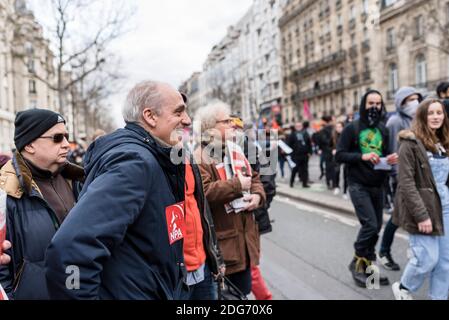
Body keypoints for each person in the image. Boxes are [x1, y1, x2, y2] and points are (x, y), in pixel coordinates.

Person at [45, 81, 191, 300]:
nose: (187, 120)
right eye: (178, 112)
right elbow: (69, 252)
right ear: (150, 116)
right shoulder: (135, 163)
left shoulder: (150, 157)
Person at [0, 109, 84, 300]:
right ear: (29, 145)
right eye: (57, 138)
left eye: (66, 137)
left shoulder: (76, 180)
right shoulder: (5, 192)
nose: (66, 144)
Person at [194, 100, 266, 298]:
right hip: (224, 249)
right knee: (229, 297)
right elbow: (204, 193)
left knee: (242, 293)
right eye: (226, 121)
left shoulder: (235, 150)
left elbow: (255, 178)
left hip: (244, 243)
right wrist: (237, 185)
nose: (233, 124)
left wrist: (257, 196)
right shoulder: (200, 156)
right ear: (210, 128)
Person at [336, 90, 398, 288]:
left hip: (377, 185)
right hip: (358, 185)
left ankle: (370, 275)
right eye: (371, 103)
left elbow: (386, 153)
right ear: (363, 104)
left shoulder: (383, 128)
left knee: (376, 228)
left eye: (378, 104)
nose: (374, 107)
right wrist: (361, 156)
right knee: (370, 225)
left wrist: (390, 159)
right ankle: (356, 261)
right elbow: (339, 155)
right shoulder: (352, 128)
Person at [392, 99, 449, 300]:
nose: (435, 117)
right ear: (422, 116)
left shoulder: (444, 142)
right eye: (431, 113)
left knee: (445, 261)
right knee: (427, 259)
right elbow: (406, 183)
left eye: (439, 113)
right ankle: (404, 288)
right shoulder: (410, 143)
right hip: (423, 209)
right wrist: (421, 215)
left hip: (445, 207)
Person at [377, 87, 423, 271]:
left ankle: (417, 252)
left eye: (416, 98)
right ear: (401, 102)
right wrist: (398, 176)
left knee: (418, 214)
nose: (414, 103)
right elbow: (392, 151)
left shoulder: (419, 120)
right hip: (404, 177)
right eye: (410, 99)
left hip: (422, 176)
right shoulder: (395, 121)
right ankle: (384, 252)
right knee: (398, 216)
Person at [180, 150, 225, 300]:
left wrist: (216, 258)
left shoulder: (187, 157)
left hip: (203, 265)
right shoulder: (146, 160)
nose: (186, 124)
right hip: (176, 274)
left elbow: (203, 213)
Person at [288, 122, 312, 188]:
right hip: (296, 155)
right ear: (295, 127)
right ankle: (291, 182)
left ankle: (305, 183)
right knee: (295, 169)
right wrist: (291, 154)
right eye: (297, 126)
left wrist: (310, 152)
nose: (299, 127)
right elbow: (289, 145)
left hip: (304, 155)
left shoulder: (305, 133)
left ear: (302, 126)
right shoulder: (292, 135)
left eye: (300, 126)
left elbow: (309, 144)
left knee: (305, 170)